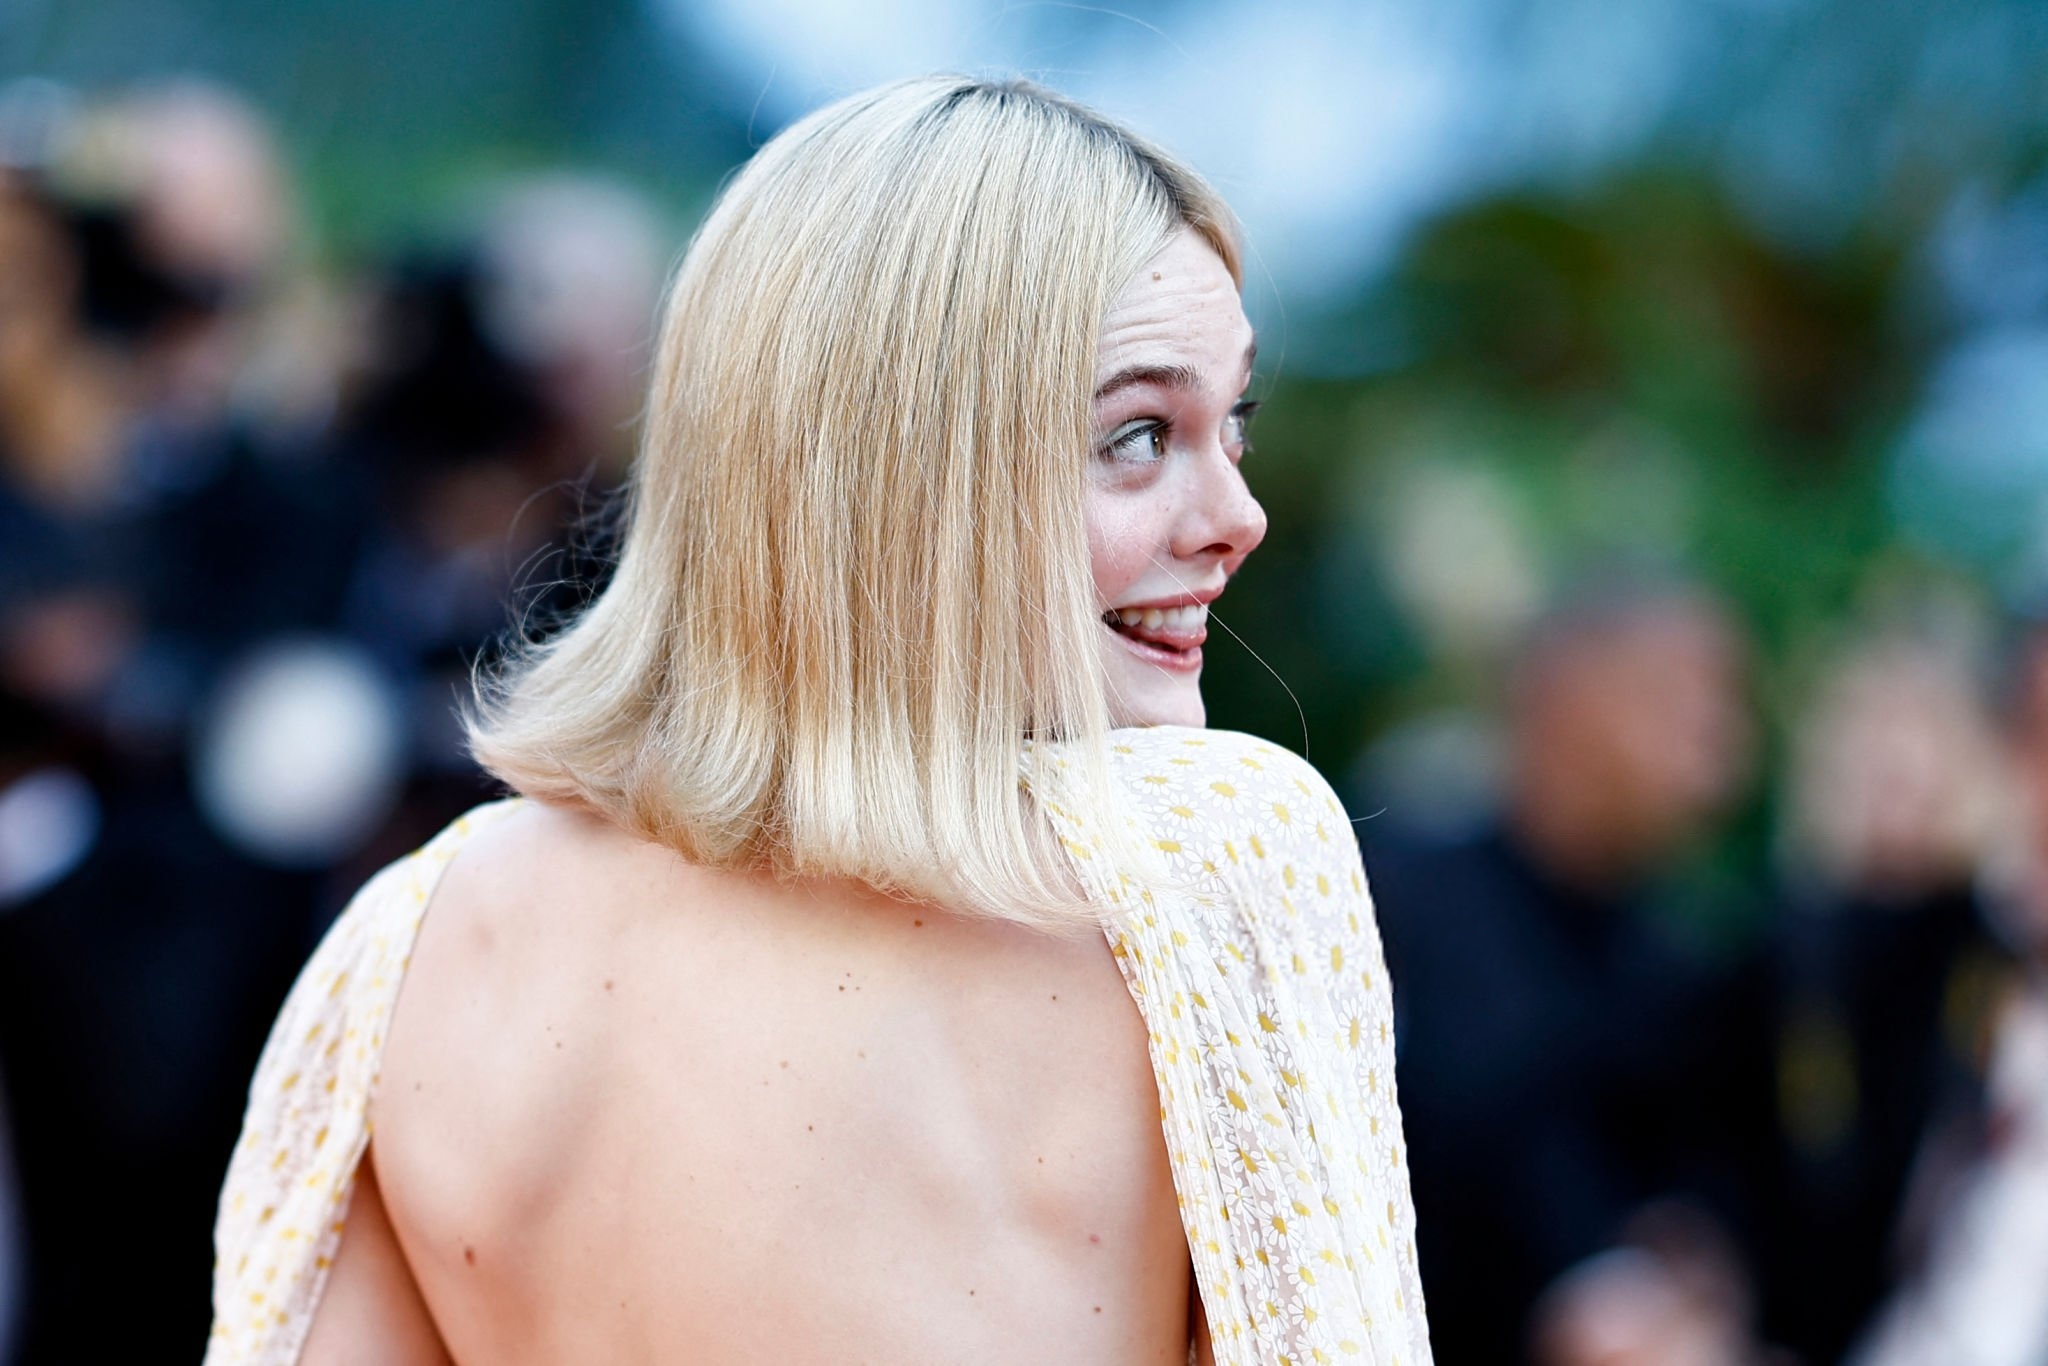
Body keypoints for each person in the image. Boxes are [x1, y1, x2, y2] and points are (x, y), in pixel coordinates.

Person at [205, 77, 1433, 1365]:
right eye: (1135, 434)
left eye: (1231, 425)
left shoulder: (408, 943)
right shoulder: (1197, 869)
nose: (1237, 517)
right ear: (901, 470)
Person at [1366, 582, 1761, 1365]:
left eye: (1726, 699)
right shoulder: (1394, 903)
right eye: (1673, 693)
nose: (1718, 733)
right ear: (1559, 700)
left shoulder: (1696, 961)